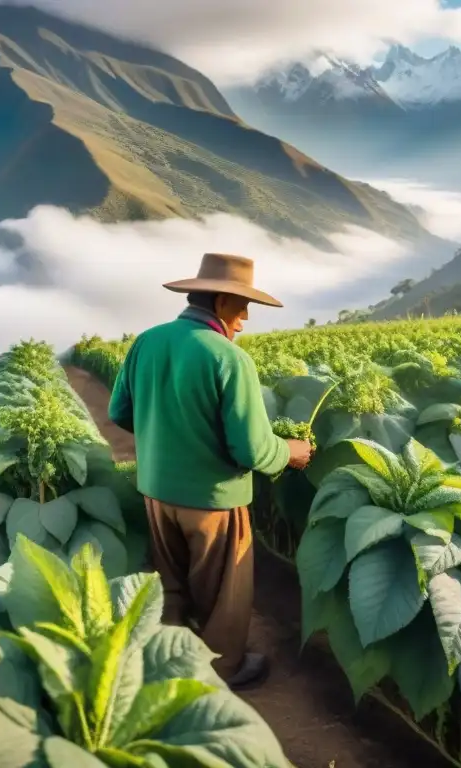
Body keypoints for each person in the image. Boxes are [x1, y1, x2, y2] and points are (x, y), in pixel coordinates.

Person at [108, 253, 313, 690]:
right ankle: (222, 671)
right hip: (213, 500)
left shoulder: (147, 341)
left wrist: (167, 435)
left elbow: (119, 410)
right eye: (242, 308)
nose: (243, 320)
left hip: (157, 493)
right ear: (221, 302)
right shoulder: (229, 358)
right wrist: (292, 451)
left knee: (170, 585)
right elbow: (254, 449)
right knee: (224, 595)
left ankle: (171, 666)